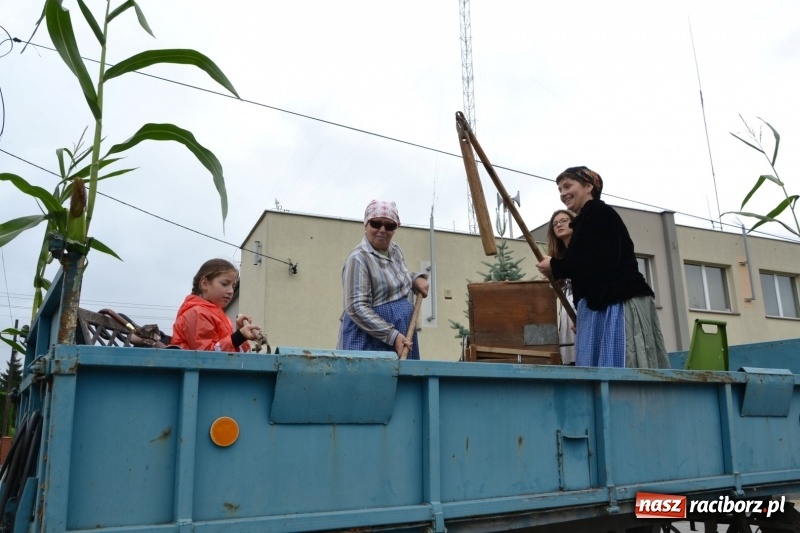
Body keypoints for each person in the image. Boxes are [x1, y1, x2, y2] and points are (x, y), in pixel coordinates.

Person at [536, 166, 669, 369]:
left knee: (620, 366)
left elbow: (604, 258)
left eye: (567, 186)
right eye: (560, 189)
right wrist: (580, 314)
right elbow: (584, 275)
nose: (562, 193)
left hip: (618, 302)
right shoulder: (583, 222)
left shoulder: (599, 212)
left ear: (588, 186)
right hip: (599, 305)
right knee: (599, 370)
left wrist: (555, 266)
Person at [337, 200, 429, 359]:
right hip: (369, 338)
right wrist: (392, 336)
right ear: (366, 224)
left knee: (404, 383)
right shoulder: (358, 259)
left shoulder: (395, 250)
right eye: (376, 223)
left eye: (389, 225)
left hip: (401, 333)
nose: (382, 230)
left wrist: (415, 279)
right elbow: (356, 307)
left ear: (395, 228)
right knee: (370, 382)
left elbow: (398, 277)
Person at [171, 258, 262, 352]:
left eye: (233, 286)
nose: (231, 291)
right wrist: (239, 336)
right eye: (225, 284)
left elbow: (234, 356)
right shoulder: (196, 313)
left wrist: (241, 335)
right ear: (204, 284)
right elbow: (207, 356)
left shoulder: (217, 315)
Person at [546, 209, 577, 365]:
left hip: (583, 304)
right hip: (566, 309)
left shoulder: (581, 248)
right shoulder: (557, 256)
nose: (559, 225)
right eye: (555, 224)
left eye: (563, 221)